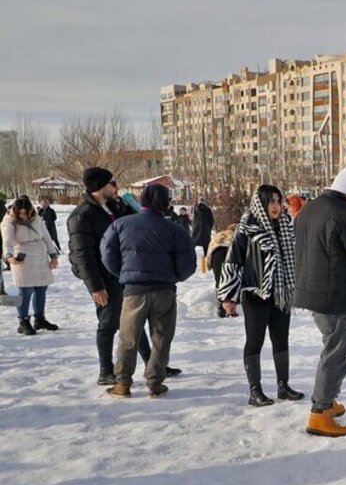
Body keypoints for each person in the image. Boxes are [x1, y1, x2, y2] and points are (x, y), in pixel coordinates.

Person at [293, 167, 346, 436]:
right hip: (338, 293)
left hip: (312, 290)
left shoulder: (310, 207)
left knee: (336, 347)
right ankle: (319, 412)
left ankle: (326, 402)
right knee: (337, 351)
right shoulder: (344, 212)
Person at [99, 184, 196, 398]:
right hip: (164, 290)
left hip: (134, 290)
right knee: (161, 338)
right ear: (166, 203)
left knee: (128, 337)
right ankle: (155, 382)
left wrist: (124, 273)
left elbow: (107, 254)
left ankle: (122, 383)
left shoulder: (121, 225)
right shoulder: (175, 230)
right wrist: (175, 276)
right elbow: (188, 264)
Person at [67, 167, 161, 385]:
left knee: (134, 319)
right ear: (100, 186)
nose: (117, 187)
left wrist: (132, 207)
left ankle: (152, 364)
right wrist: (95, 286)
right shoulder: (82, 215)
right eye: (113, 183)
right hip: (103, 278)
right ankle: (106, 371)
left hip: (123, 273)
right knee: (108, 322)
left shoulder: (113, 207)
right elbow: (82, 255)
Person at [217, 185, 304, 407]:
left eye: (278, 201)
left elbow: (295, 259)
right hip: (255, 294)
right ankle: (255, 390)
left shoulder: (285, 225)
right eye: (271, 201)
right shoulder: (248, 228)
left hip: (281, 293)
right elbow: (233, 261)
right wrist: (228, 297)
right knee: (255, 340)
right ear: (260, 203)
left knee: (281, 339)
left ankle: (283, 385)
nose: (276, 206)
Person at [1, 196, 61, 335]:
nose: (24, 216)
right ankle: (23, 321)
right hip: (22, 257)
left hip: (40, 256)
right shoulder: (9, 221)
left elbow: (46, 236)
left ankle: (39, 318)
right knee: (25, 291)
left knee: (41, 288)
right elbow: (7, 241)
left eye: (26, 212)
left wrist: (53, 255)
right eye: (21, 213)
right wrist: (9, 256)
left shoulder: (36, 218)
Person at [207, 223, 237, 317]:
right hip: (230, 254)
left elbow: (210, 248)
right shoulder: (237, 235)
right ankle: (231, 308)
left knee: (219, 281)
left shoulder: (219, 235)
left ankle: (221, 307)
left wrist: (209, 265)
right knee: (230, 280)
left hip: (216, 255)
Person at [191, 197, 214, 272]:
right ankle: (205, 267)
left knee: (192, 248)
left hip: (196, 231)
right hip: (205, 232)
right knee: (206, 250)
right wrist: (209, 228)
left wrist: (194, 227)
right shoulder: (208, 210)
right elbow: (211, 220)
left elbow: (192, 219)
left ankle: (191, 265)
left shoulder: (195, 209)